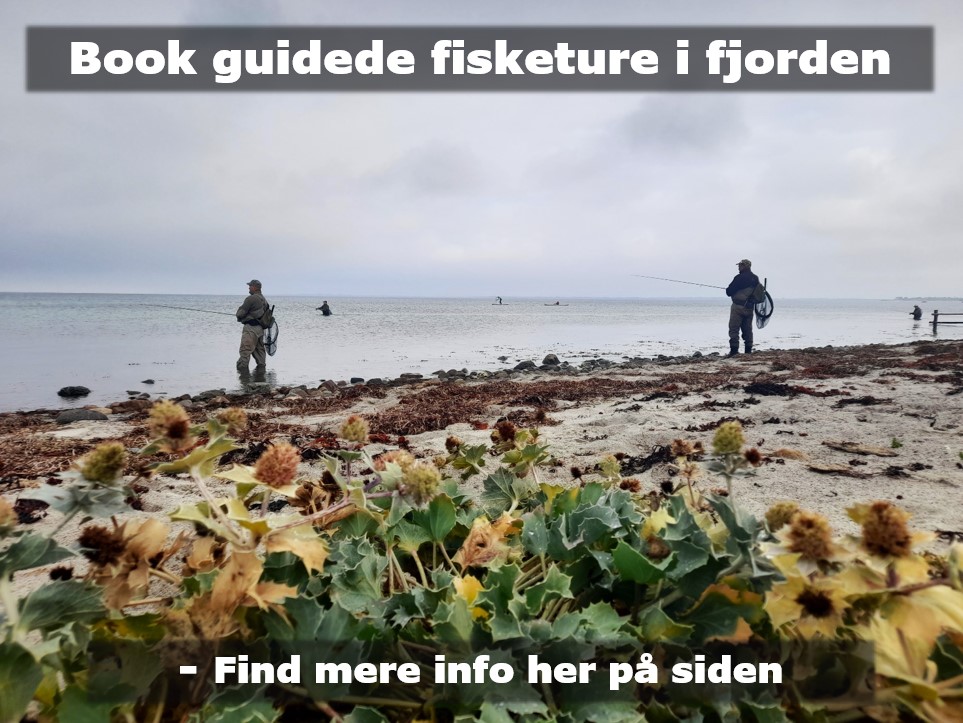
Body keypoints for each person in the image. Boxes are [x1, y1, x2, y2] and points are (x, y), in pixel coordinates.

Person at [725, 259, 760, 356]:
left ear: (745, 266)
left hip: (738, 307)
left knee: (734, 329)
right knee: (748, 330)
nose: (738, 267)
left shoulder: (739, 278)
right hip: (750, 308)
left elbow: (729, 292)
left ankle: (734, 351)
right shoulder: (755, 278)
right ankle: (748, 351)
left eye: (740, 265)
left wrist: (729, 289)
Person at [236, 279, 268, 370]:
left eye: (250, 286)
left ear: (254, 287)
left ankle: (243, 378)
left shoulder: (251, 298)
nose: (249, 288)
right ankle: (261, 376)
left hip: (251, 329)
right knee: (260, 352)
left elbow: (240, 313)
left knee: (245, 351)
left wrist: (240, 317)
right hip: (260, 330)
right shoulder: (264, 299)